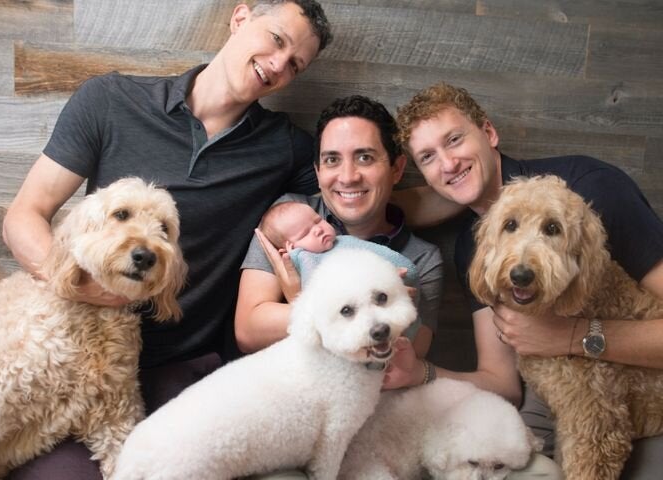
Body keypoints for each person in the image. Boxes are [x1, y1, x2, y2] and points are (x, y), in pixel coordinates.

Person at [1, 2, 332, 479]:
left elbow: (361, 191)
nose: (279, 65)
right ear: (240, 18)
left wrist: (468, 185)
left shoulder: (286, 148)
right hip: (80, 350)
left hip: (182, 365)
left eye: (295, 64)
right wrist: (81, 287)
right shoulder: (109, 100)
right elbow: (23, 215)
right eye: (277, 40)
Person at [394, 82, 663, 478]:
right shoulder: (475, 248)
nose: (448, 164)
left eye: (454, 140)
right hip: (553, 402)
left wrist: (569, 336)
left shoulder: (592, 191)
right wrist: (421, 372)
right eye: (429, 157)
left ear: (488, 133)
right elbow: (502, 381)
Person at [235, 95, 444, 394]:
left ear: (397, 169)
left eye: (365, 157)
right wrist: (376, 307)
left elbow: (407, 356)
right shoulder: (290, 218)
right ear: (319, 172)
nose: (347, 177)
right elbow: (248, 330)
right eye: (332, 160)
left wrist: (297, 298)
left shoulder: (421, 257)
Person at [257, 201, 420, 289]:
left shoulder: (345, 242)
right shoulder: (307, 264)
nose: (318, 230)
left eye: (317, 221)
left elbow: (371, 255)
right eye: (305, 233)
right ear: (290, 249)